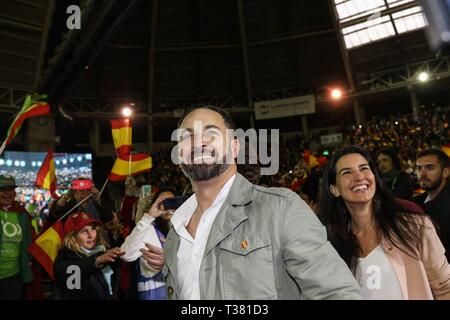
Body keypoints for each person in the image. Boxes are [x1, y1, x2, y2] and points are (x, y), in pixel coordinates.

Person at [141, 106, 363, 300]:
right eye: (187, 136)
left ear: (235, 147)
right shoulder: (175, 234)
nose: (199, 142)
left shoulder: (280, 209)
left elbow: (337, 293)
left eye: (211, 133)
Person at [319, 145, 450, 299]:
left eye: (364, 168)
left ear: (374, 177)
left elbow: (445, 289)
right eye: (347, 172)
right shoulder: (328, 244)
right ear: (335, 189)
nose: (359, 177)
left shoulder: (416, 227)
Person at [53, 212, 124, 300]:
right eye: (84, 231)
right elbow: (74, 270)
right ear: (72, 237)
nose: (91, 235)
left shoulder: (102, 251)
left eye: (93, 229)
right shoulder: (65, 259)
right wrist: (96, 261)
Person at [120, 189, 176, 300]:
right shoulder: (149, 231)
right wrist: (148, 217)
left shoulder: (182, 231)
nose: (169, 206)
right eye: (164, 202)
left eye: (172, 201)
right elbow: (125, 254)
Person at [0, 174, 33, 299]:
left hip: (13, 276)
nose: (8, 193)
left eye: (11, 189)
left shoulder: (22, 214)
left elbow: (29, 242)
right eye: (3, 189)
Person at [414, 148, 450, 261]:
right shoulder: (414, 203)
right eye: (419, 168)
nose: (422, 173)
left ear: (445, 172)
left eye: (430, 168)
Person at [46, 178, 113, 226]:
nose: (81, 195)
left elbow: (108, 217)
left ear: (90, 191)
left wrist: (97, 198)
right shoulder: (71, 205)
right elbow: (53, 216)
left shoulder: (96, 203)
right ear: (73, 193)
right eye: (78, 192)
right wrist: (66, 196)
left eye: (84, 191)